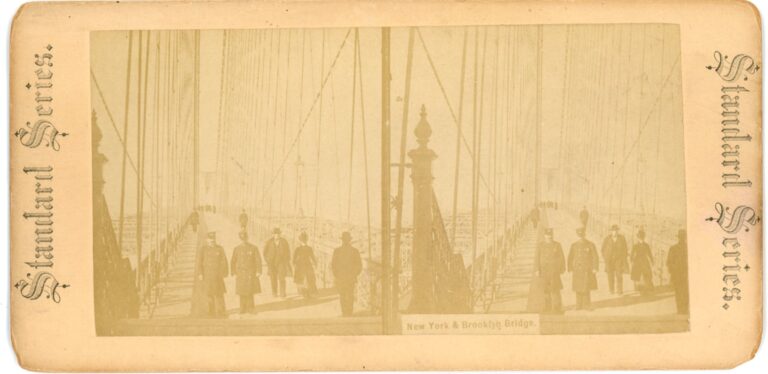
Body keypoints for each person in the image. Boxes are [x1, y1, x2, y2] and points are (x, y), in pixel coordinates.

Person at [195, 232, 228, 318]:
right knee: (209, 294)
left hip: (218, 275)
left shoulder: (220, 249)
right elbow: (199, 263)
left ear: (215, 240)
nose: (211, 242)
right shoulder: (203, 249)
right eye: (210, 241)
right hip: (207, 275)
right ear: (207, 240)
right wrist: (200, 273)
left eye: (213, 241)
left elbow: (224, 261)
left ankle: (221, 312)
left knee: (219, 294)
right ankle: (211, 311)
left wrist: (223, 273)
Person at [533, 228, 565, 314]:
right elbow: (537, 258)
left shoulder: (557, 245)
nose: (549, 237)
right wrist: (537, 269)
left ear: (552, 236)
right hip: (544, 271)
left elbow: (561, 257)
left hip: (554, 271)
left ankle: (557, 307)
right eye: (547, 236)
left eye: (550, 236)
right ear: (544, 236)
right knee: (546, 290)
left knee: (555, 289)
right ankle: (547, 307)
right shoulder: (540, 245)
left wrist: (562, 268)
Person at [230, 231, 262, 314]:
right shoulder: (237, 249)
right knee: (241, 291)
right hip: (240, 273)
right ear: (240, 239)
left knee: (250, 291)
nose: (243, 240)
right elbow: (233, 261)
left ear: (247, 238)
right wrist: (233, 271)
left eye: (245, 238)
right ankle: (242, 308)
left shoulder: (253, 248)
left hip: (250, 273)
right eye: (242, 239)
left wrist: (258, 271)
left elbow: (258, 260)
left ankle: (251, 308)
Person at [331, 231, 362, 317]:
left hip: (341, 277)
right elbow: (359, 266)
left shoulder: (337, 251)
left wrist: (337, 275)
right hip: (350, 277)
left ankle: (344, 312)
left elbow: (333, 265)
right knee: (350, 294)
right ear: (349, 240)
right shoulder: (355, 251)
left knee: (343, 295)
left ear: (343, 240)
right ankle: (349, 312)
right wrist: (354, 274)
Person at [568, 227, 599, 310]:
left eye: (582, 236)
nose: (580, 238)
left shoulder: (590, 244)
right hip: (577, 270)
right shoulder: (574, 245)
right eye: (579, 236)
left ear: (585, 235)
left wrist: (595, 268)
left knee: (586, 287)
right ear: (577, 236)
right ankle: (578, 305)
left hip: (587, 269)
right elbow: (570, 257)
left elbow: (595, 257)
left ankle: (587, 305)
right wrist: (570, 267)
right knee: (578, 287)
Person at [263, 228, 292, 297]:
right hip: (272, 263)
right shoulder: (269, 242)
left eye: (278, 234)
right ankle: (274, 292)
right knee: (273, 278)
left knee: (282, 278)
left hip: (281, 263)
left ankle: (282, 293)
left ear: (280, 234)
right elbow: (264, 253)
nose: (277, 235)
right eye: (275, 234)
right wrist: (268, 260)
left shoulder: (284, 242)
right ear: (273, 234)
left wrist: (286, 261)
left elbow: (288, 252)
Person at [601, 224, 629, 295]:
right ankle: (611, 289)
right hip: (609, 260)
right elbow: (603, 249)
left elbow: (625, 249)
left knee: (619, 275)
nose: (615, 232)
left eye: (616, 231)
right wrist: (605, 257)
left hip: (618, 260)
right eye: (613, 231)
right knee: (610, 275)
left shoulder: (622, 238)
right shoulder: (607, 239)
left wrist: (624, 258)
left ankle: (619, 290)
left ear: (618, 231)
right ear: (611, 231)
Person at [667, 229, 689, 314]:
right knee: (685, 292)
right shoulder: (688, 248)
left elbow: (669, 262)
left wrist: (672, 271)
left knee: (678, 292)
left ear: (678, 237)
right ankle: (684, 309)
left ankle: (680, 310)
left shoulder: (673, 248)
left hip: (677, 275)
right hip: (685, 274)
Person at [293, 231, 318, 299]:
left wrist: (315, 263)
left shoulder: (306, 248)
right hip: (302, 265)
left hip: (305, 265)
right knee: (304, 280)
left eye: (304, 240)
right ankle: (305, 293)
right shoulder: (299, 249)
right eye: (302, 240)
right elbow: (294, 257)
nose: (304, 241)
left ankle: (306, 293)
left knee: (307, 279)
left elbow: (312, 256)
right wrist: (294, 264)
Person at [630, 229, 654, 293]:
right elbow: (632, 253)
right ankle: (636, 287)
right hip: (637, 261)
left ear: (644, 238)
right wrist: (631, 259)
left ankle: (648, 286)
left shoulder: (646, 245)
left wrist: (652, 260)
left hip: (644, 260)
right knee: (636, 274)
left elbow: (649, 253)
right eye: (640, 238)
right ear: (638, 238)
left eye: (642, 238)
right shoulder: (635, 245)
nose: (641, 239)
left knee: (647, 273)